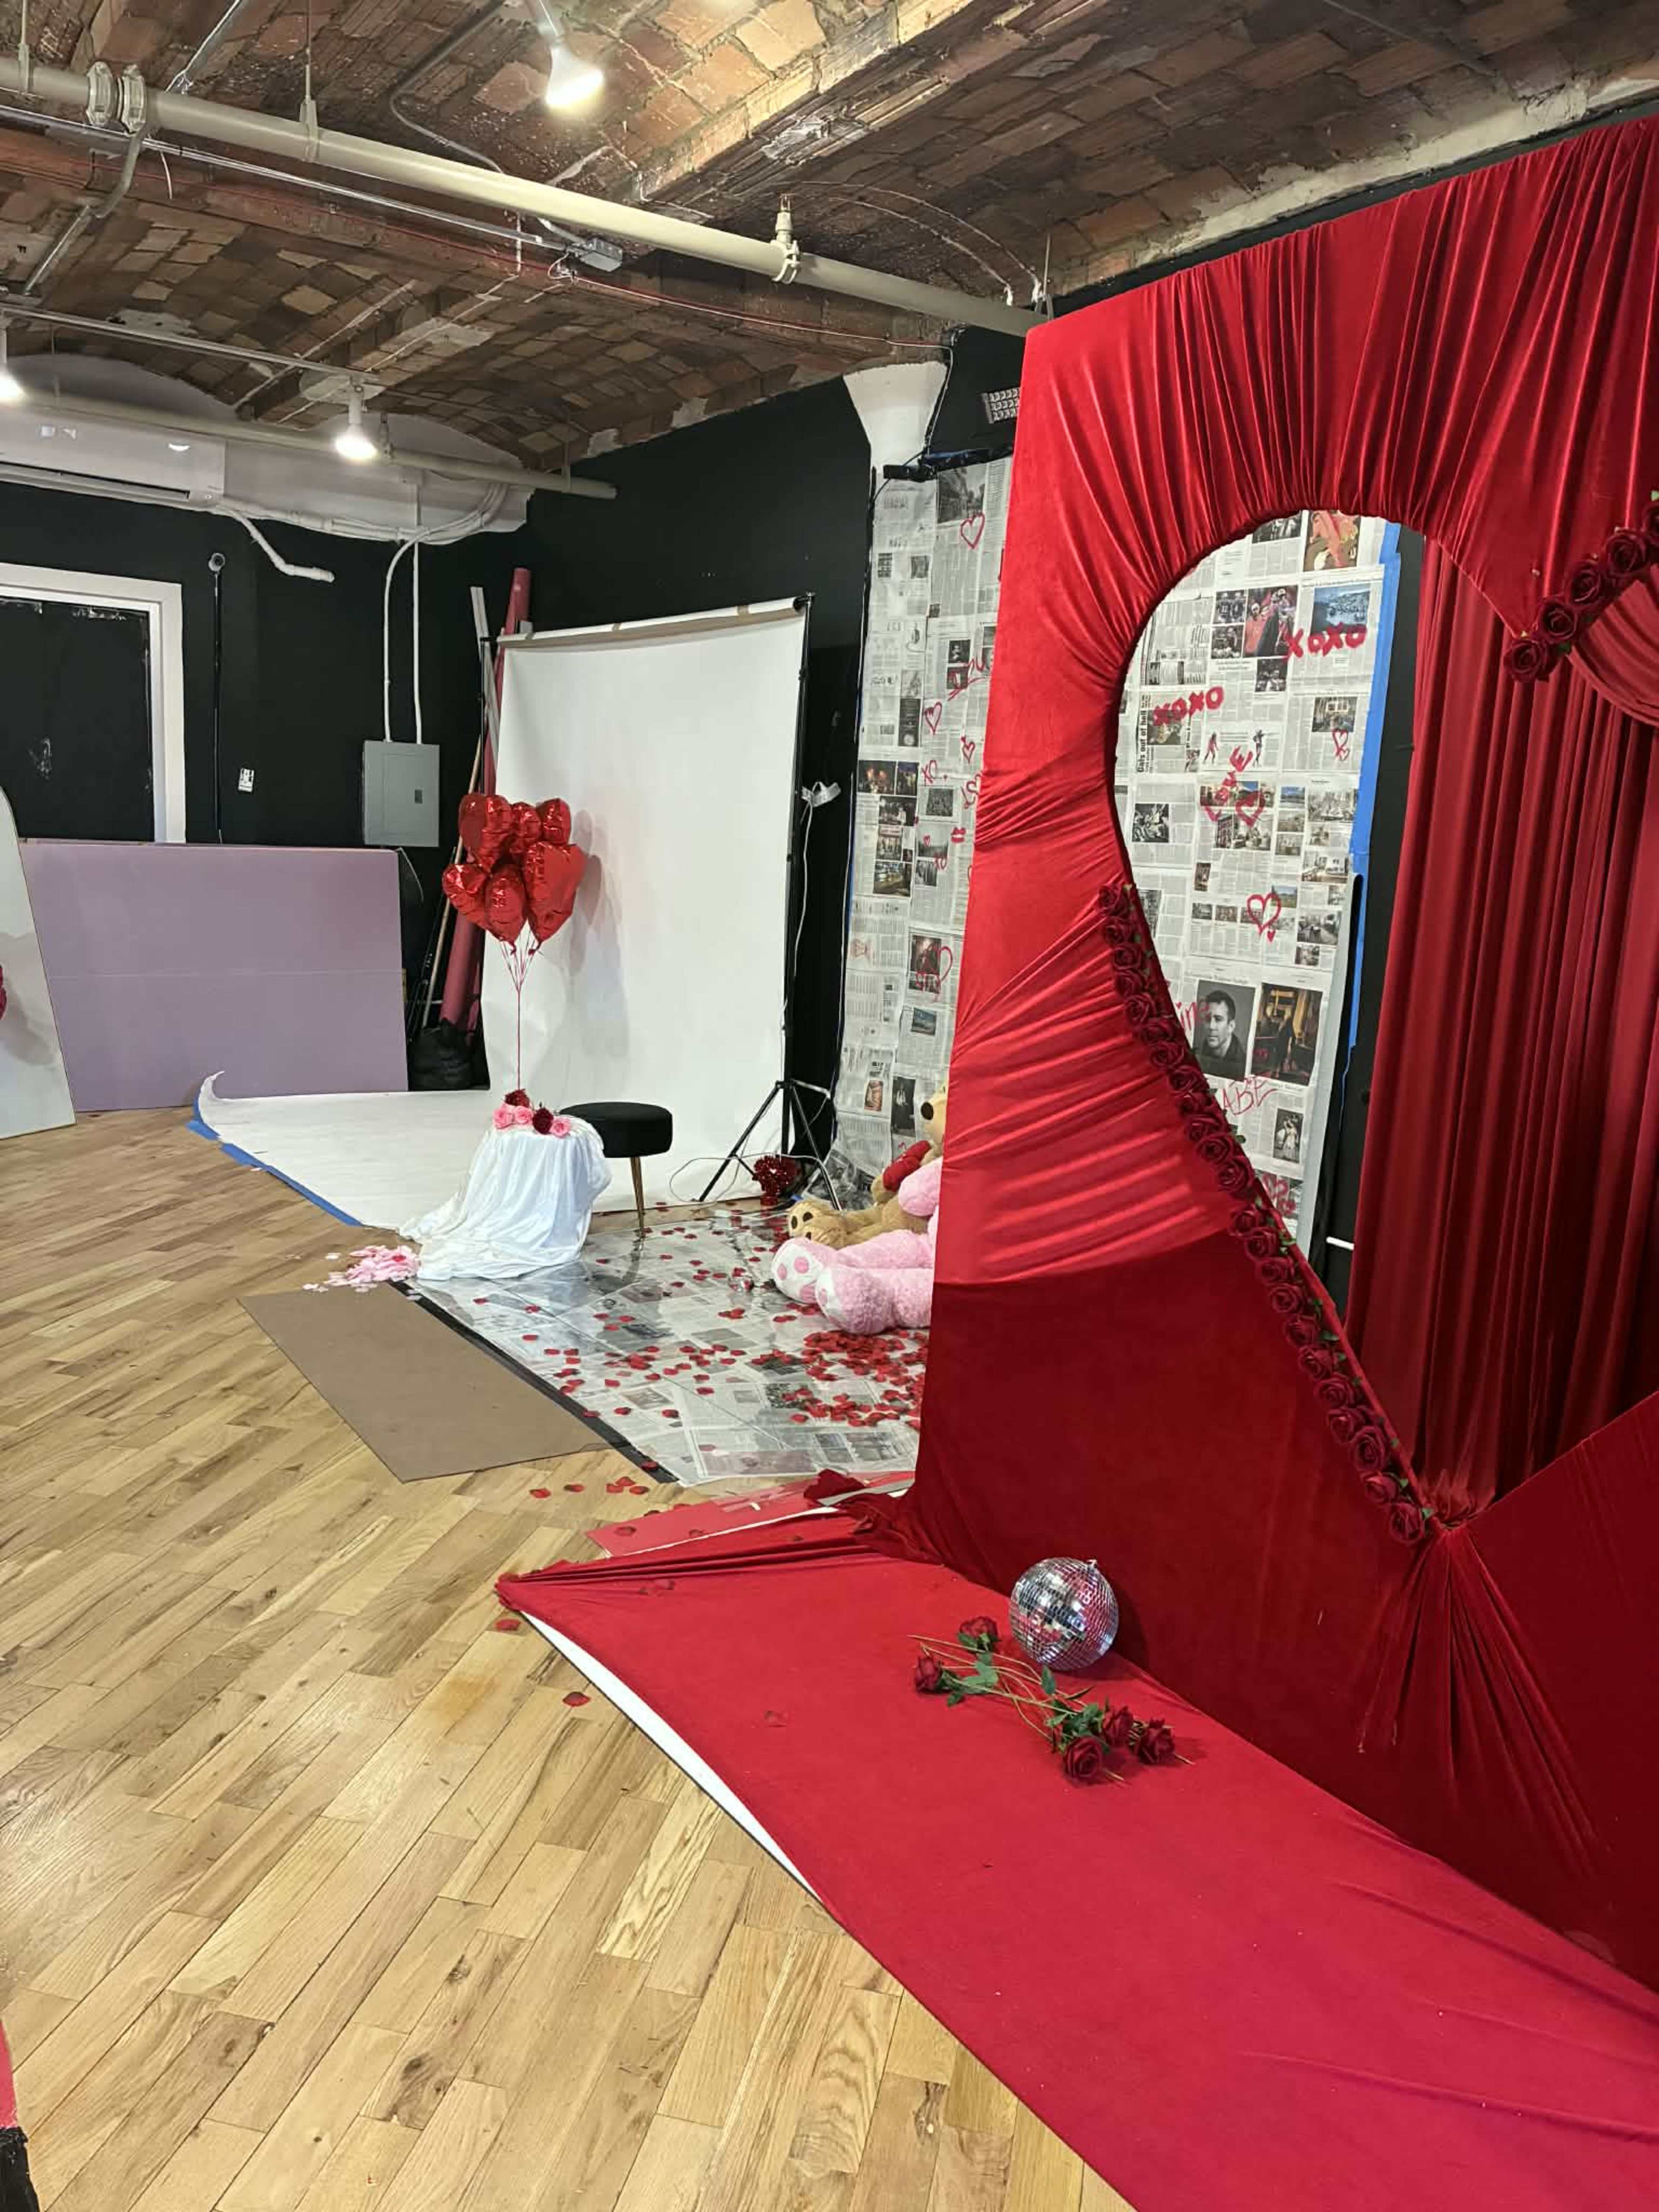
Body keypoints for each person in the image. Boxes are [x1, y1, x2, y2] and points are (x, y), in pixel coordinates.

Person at [1194, 989, 1247, 1079]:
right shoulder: (1199, 1053)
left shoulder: (1242, 1068)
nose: (1211, 1026)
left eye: (1218, 1019)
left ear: (1231, 1026)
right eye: (1208, 1019)